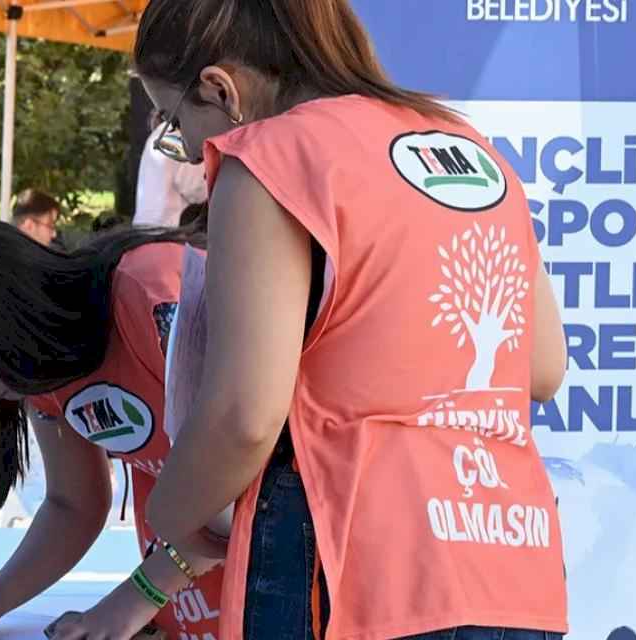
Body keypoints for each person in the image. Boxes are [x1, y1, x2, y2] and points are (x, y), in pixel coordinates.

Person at [132, 2, 570, 639]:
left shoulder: (270, 156)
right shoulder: (469, 148)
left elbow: (244, 417)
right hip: (510, 565)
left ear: (221, 88)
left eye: (176, 122)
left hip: (349, 566)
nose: (192, 153)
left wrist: (171, 514)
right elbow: (544, 368)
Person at [0, 216, 235, 640]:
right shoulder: (40, 371)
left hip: (281, 572)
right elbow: (73, 504)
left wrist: (134, 598)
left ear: (7, 327)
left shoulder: (150, 294)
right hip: (201, 597)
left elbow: (246, 471)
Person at [134, 110, 208, 228]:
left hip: (146, 223)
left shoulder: (159, 134)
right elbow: (194, 189)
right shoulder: (179, 135)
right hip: (167, 227)